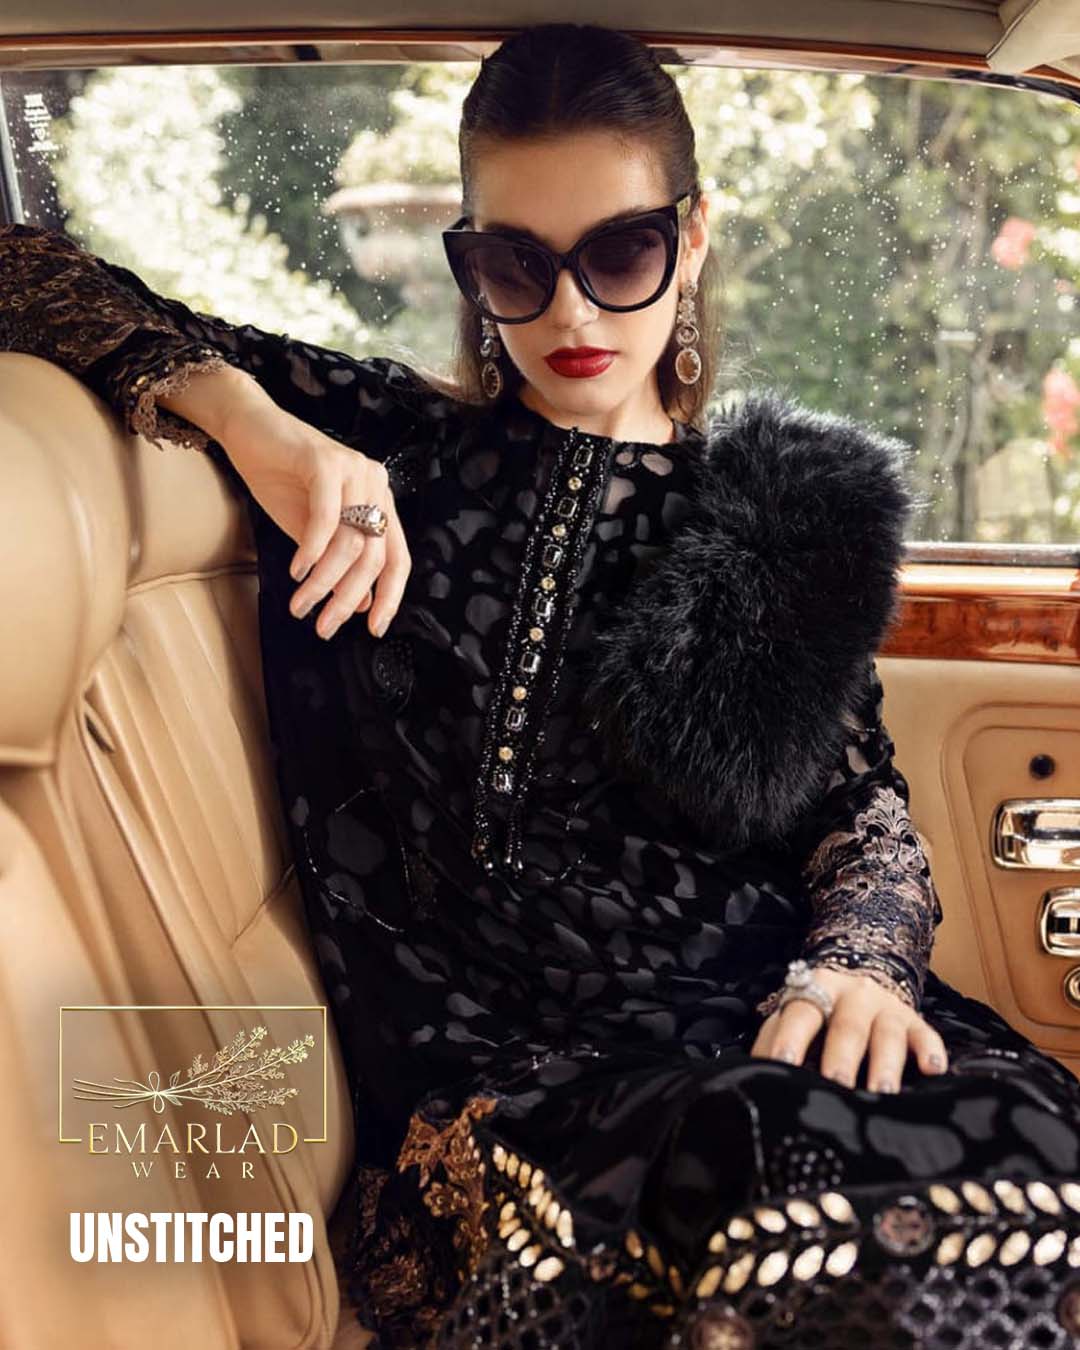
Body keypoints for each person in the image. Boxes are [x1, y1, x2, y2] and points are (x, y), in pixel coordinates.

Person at [2, 22, 1079, 1350]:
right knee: (775, 1180)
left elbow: (861, 815)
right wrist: (257, 426)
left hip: (759, 1014)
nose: (569, 314)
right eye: (515, 264)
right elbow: (20, 268)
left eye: (618, 255)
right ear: (470, 264)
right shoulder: (384, 445)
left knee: (1022, 1150)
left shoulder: (774, 519)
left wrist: (861, 965)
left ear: (692, 239)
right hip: (511, 1091)